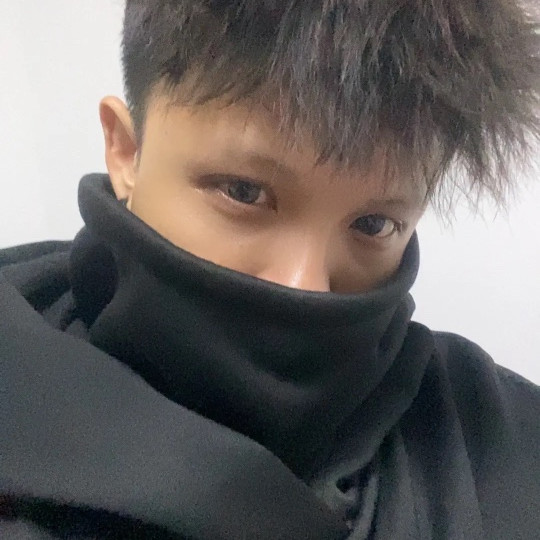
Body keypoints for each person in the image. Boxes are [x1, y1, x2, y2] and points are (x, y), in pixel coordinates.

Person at [1, 1, 539, 538]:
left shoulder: (495, 439)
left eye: (373, 225)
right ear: (126, 151)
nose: (304, 287)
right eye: (244, 191)